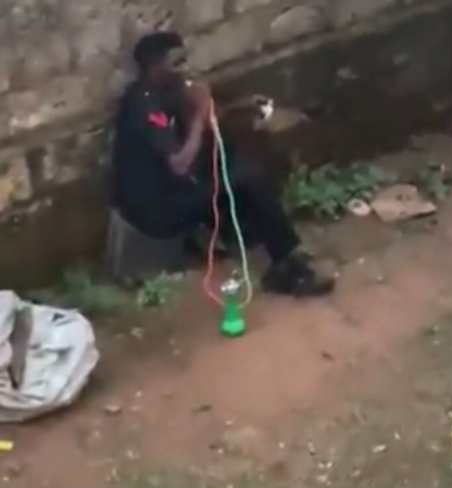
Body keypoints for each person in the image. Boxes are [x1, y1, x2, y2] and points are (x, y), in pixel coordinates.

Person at [111, 32, 335, 297]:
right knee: (250, 177)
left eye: (185, 61)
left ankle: (253, 233)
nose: (185, 69)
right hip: (157, 210)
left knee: (235, 156)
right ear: (154, 67)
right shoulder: (144, 105)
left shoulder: (165, 91)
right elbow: (180, 163)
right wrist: (200, 114)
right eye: (177, 64)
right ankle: (285, 265)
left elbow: (207, 128)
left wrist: (238, 107)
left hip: (173, 187)